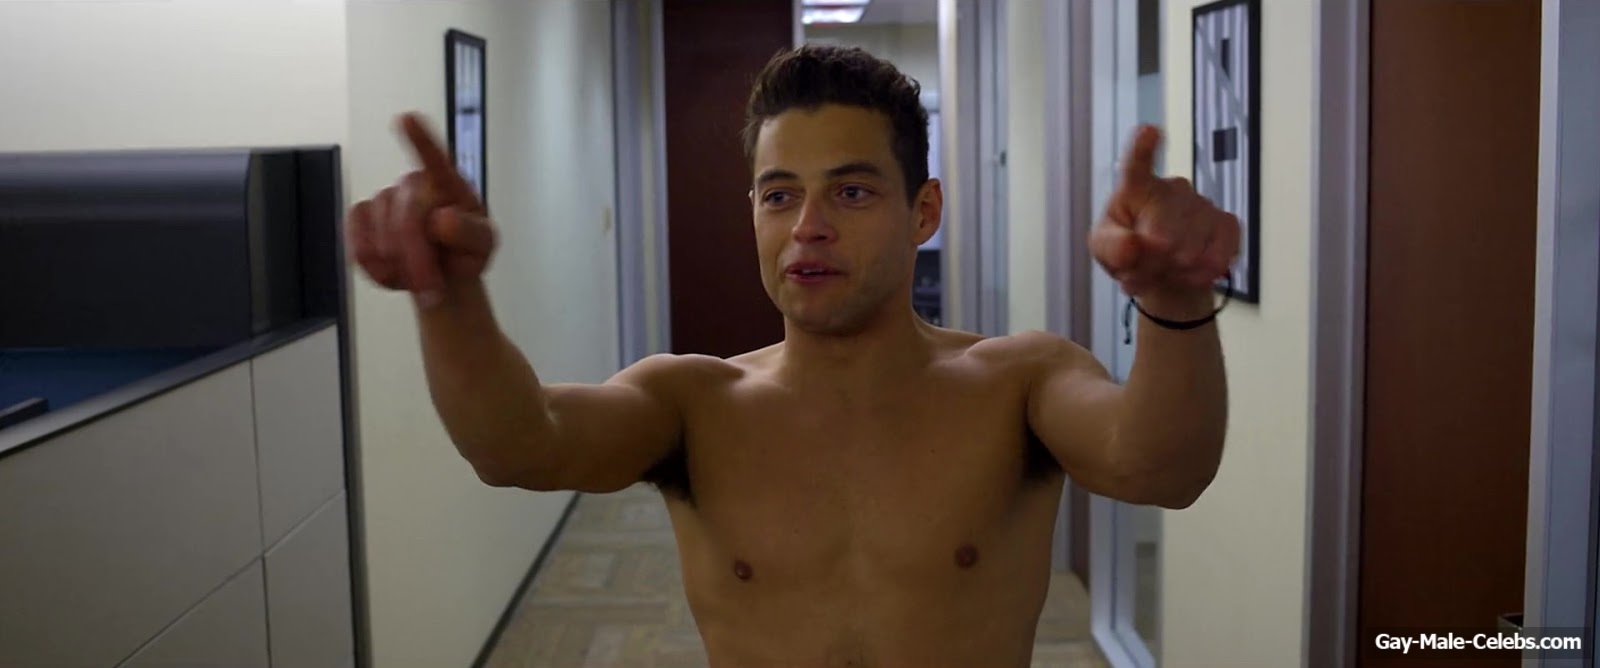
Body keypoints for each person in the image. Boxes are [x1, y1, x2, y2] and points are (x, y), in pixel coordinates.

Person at [347, 44, 1235, 668]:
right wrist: (448, 299)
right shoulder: (692, 402)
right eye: (779, 195)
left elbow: (1161, 469)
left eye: (851, 191)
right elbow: (519, 444)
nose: (808, 226)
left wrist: (1174, 303)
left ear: (924, 212)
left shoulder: (1020, 382)